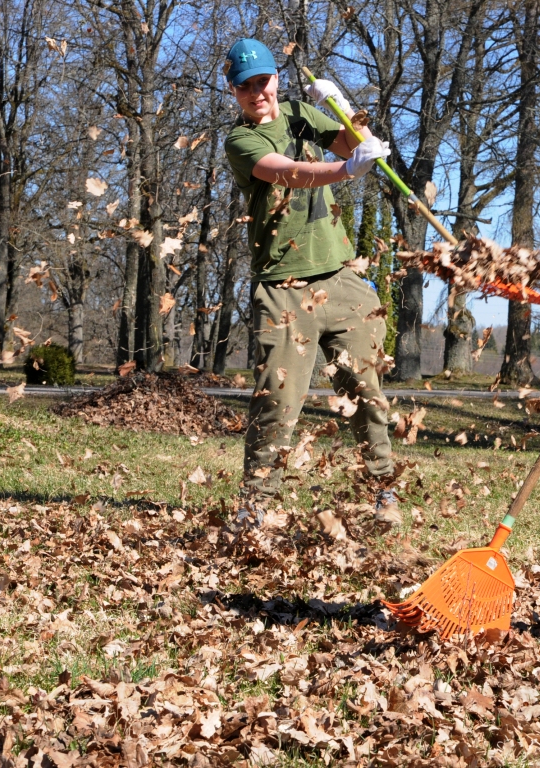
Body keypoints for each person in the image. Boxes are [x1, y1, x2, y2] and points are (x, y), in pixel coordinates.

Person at [222, 38, 398, 525]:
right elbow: (290, 172)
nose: (257, 93)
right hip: (283, 288)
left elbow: (355, 146)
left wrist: (343, 108)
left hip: (340, 278)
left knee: (365, 389)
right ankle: (256, 507)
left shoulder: (301, 114)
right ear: (234, 91)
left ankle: (383, 492)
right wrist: (347, 169)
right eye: (245, 86)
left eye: (263, 82)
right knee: (278, 401)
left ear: (276, 79)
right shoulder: (240, 141)